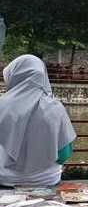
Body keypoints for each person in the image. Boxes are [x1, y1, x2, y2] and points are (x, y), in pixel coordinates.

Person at [0, 55, 76, 187]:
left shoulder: (2, 106)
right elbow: (64, 154)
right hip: (47, 181)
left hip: (5, 181)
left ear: (14, 77)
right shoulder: (55, 108)